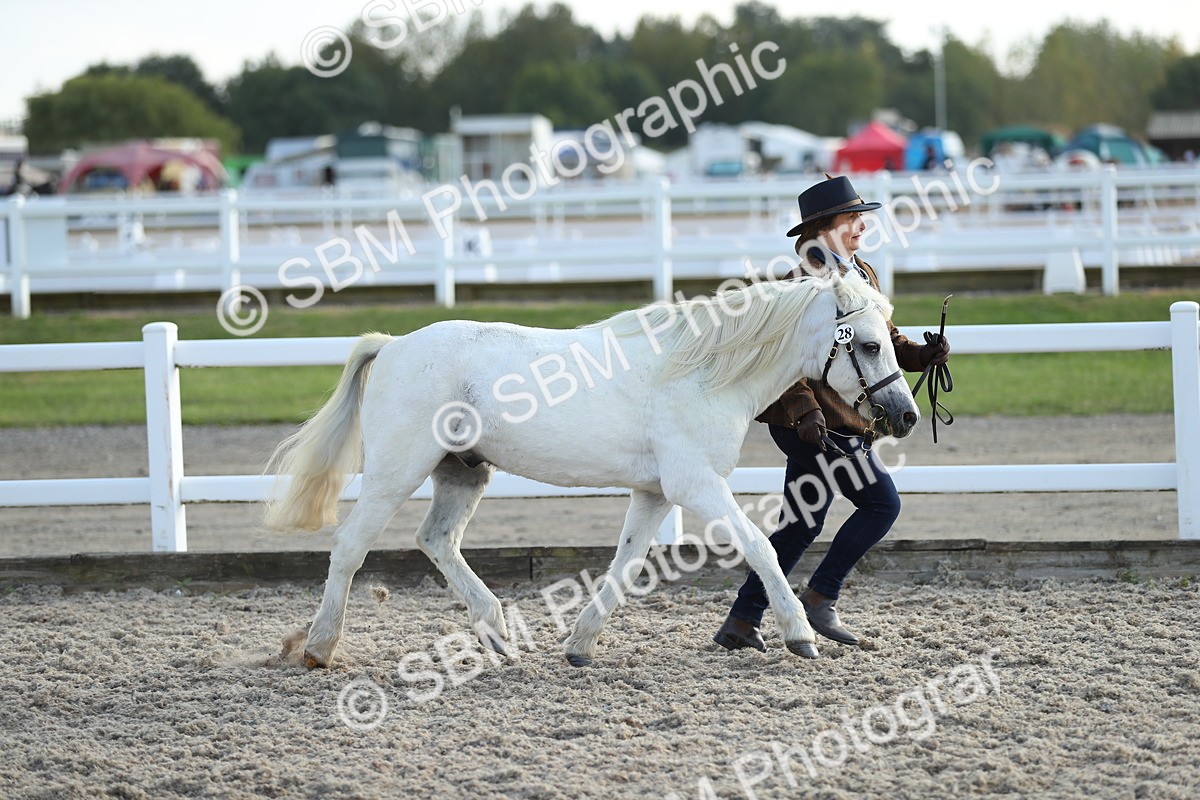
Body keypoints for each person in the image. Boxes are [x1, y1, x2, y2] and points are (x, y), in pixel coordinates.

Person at [713, 175, 951, 656]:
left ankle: (741, 621)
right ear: (824, 227)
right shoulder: (801, 283)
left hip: (836, 422)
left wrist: (923, 356)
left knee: (800, 525)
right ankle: (821, 596)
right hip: (812, 425)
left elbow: (883, 342)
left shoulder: (861, 273)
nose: (862, 226)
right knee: (882, 505)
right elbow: (786, 357)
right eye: (852, 218)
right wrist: (805, 411)